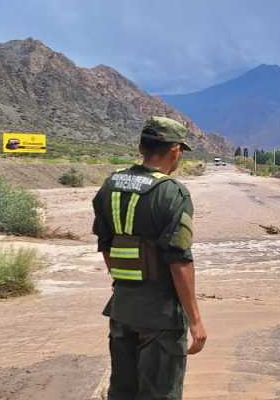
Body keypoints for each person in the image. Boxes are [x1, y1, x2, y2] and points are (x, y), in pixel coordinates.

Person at [91, 116, 207, 400]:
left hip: (122, 310)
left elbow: (105, 246)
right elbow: (179, 259)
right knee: (160, 393)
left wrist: (126, 284)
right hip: (161, 316)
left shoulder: (110, 186)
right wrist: (195, 320)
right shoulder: (172, 192)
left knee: (123, 391)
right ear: (175, 150)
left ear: (143, 147)